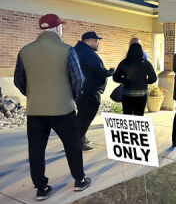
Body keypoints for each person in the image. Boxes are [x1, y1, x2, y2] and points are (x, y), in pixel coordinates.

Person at [13, 14, 90, 201]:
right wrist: (72, 96)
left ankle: (41, 188)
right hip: (63, 109)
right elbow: (78, 79)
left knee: (36, 149)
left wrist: (32, 95)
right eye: (61, 27)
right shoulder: (67, 50)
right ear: (57, 29)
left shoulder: (25, 51)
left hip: (35, 110)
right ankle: (79, 180)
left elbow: (18, 80)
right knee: (72, 145)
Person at [74, 31, 114, 151]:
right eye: (96, 41)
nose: (97, 43)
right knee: (85, 117)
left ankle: (80, 138)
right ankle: (78, 143)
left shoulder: (77, 50)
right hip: (89, 91)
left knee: (81, 115)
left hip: (80, 90)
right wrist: (110, 72)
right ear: (88, 41)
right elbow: (98, 71)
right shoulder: (87, 53)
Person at [113, 43, 157, 116]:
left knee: (127, 116)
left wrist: (125, 80)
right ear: (141, 52)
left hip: (127, 94)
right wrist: (145, 81)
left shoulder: (124, 62)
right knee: (139, 116)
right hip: (141, 94)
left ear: (129, 51)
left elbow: (115, 77)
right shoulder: (146, 63)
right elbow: (153, 78)